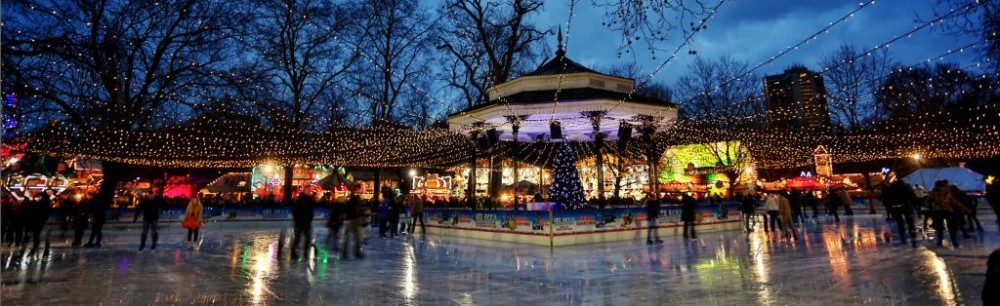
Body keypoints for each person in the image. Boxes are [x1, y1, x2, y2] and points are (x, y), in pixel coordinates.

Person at [925, 180, 963, 248]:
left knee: (939, 227)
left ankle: (939, 242)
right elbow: (954, 201)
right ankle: (954, 242)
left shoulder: (933, 192)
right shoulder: (947, 191)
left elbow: (928, 201)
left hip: (937, 211)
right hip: (947, 210)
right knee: (951, 227)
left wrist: (923, 206)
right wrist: (965, 209)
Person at [881, 176, 918, 245]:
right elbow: (912, 196)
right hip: (906, 206)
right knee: (910, 222)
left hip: (895, 207)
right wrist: (914, 205)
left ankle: (902, 237)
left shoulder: (891, 188)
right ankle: (913, 236)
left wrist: (889, 206)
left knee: (899, 222)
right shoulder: (907, 187)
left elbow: (887, 197)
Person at [290, 189, 316, 259]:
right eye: (307, 191)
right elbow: (296, 211)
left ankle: (304, 252)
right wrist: (297, 220)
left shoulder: (309, 200)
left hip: (305, 222)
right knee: (298, 238)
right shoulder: (300, 200)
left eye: (309, 191)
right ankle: (294, 252)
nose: (308, 192)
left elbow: (311, 210)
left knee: (307, 238)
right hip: (301, 222)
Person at [342, 185, 365, 259]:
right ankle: (347, 253)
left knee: (357, 237)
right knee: (349, 237)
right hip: (351, 220)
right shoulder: (352, 199)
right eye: (361, 189)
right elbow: (349, 209)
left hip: (355, 219)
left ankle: (356, 252)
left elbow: (359, 209)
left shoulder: (356, 198)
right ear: (357, 189)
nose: (362, 190)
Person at [26, 190, 52, 256]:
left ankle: (36, 244)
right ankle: (40, 244)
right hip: (42, 220)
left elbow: (35, 210)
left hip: (38, 220)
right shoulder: (47, 203)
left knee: (36, 233)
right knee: (39, 233)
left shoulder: (41, 203)